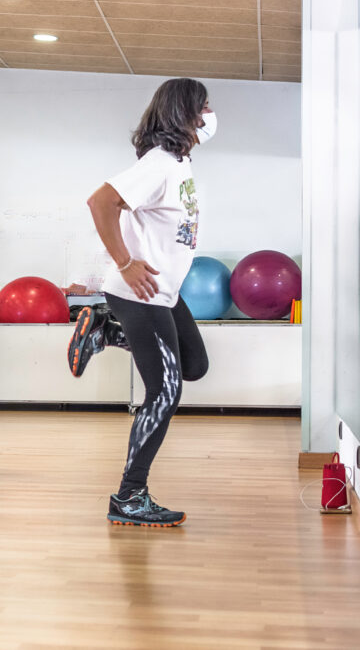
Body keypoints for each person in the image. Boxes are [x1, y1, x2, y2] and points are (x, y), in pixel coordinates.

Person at [67, 78, 213, 528]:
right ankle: (130, 497)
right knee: (165, 393)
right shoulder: (160, 164)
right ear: (184, 113)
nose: (211, 116)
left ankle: (105, 331)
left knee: (194, 364)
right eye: (205, 107)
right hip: (140, 292)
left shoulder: (178, 163)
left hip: (163, 293)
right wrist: (126, 261)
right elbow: (100, 201)